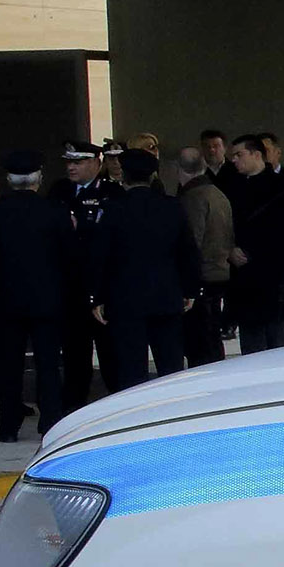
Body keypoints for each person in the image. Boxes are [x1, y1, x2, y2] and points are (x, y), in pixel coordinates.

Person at [0, 150, 76, 443]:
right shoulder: (55, 210)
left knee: (7, 365)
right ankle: (50, 420)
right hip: (47, 296)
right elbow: (69, 255)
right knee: (48, 363)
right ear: (38, 178)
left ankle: (8, 425)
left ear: (8, 179)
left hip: (5, 296)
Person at [89, 150, 200, 389]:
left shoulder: (113, 209)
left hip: (125, 300)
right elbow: (187, 252)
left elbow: (101, 256)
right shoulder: (172, 207)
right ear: (152, 176)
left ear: (123, 176)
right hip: (166, 296)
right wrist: (190, 289)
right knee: (170, 367)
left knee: (131, 371)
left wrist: (97, 296)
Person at [222, 137, 284, 350]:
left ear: (256, 154)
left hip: (276, 279)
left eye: (239, 155)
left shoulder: (281, 188)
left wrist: (252, 252)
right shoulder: (233, 186)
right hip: (245, 282)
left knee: (281, 343)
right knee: (252, 344)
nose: (234, 160)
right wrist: (229, 250)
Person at [55, 141, 114, 412]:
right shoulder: (59, 191)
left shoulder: (110, 192)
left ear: (96, 163)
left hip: (102, 286)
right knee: (74, 356)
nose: (71, 167)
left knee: (111, 356)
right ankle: (73, 409)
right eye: (69, 162)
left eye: (78, 162)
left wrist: (82, 229)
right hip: (70, 287)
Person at [175, 144, 234, 362]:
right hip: (219, 271)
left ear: (179, 169)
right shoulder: (217, 194)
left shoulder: (192, 198)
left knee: (200, 343)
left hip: (202, 277)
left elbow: (192, 243)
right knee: (211, 337)